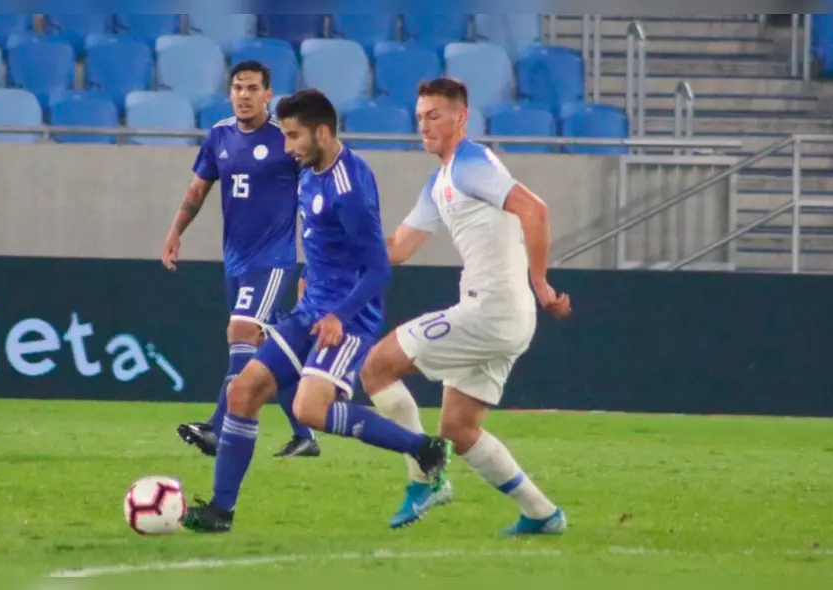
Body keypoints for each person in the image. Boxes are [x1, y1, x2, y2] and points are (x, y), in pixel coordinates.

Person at [182, 89, 452, 534]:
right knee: (243, 392)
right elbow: (325, 245)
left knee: (310, 410)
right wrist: (310, 279)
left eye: (293, 137)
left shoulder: (350, 186)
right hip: (311, 310)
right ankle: (220, 511)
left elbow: (377, 269)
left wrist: (339, 316)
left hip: (348, 319)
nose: (288, 148)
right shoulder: (310, 174)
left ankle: (424, 448)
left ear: (321, 133)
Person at [359, 78, 572, 535]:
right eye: (419, 117)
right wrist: (339, 252)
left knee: (376, 367)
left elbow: (535, 210)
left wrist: (540, 280)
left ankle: (425, 478)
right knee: (458, 427)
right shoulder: (442, 180)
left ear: (461, 117)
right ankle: (542, 514)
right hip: (505, 316)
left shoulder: (470, 164)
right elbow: (397, 248)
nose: (424, 125)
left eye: (434, 115)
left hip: (489, 311)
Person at [161, 61, 321, 459]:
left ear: (269, 95)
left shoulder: (286, 139)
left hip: (273, 260)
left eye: (252, 88)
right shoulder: (219, 135)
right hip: (235, 260)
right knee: (269, 345)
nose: (244, 95)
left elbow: (314, 200)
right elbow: (199, 188)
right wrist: (176, 232)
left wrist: (314, 261)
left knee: (241, 332)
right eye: (237, 88)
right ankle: (305, 435)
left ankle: (219, 429)